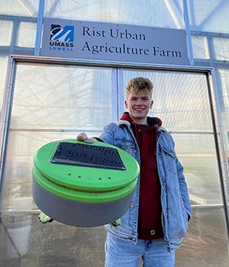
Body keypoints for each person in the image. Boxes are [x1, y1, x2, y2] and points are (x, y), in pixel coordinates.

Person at [77, 77, 191, 267]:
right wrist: (88, 144)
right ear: (126, 103)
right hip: (125, 236)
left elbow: (179, 176)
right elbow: (101, 145)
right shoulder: (115, 132)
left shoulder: (165, 137)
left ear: (151, 103)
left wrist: (185, 211)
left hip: (163, 238)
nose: (139, 103)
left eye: (144, 99)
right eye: (134, 98)